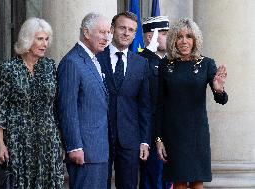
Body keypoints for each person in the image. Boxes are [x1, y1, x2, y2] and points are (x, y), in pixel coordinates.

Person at [155, 18, 228, 189]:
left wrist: (218, 89)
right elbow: (159, 104)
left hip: (197, 134)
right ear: (173, 40)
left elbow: (222, 100)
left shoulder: (206, 64)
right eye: (179, 37)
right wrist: (158, 139)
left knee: (197, 182)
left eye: (189, 36)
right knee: (179, 182)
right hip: (174, 134)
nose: (184, 41)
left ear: (195, 39)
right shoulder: (165, 65)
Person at [0, 17, 64, 188]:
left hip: (48, 139)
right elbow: (1, 109)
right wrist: (0, 144)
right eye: (40, 39)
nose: (44, 44)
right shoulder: (8, 68)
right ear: (27, 39)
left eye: (46, 39)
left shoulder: (49, 66)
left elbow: (55, 106)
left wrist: (59, 140)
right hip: (19, 140)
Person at [97, 11, 151, 189]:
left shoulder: (141, 63)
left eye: (131, 30)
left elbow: (144, 105)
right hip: (100, 136)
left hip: (130, 138)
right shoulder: (96, 57)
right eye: (122, 28)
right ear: (112, 29)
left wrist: (144, 140)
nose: (126, 33)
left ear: (135, 34)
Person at [57, 13, 110, 189]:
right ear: (86, 33)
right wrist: (74, 146)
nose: (106, 38)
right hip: (84, 151)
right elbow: (67, 108)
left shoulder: (93, 60)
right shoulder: (72, 62)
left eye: (108, 32)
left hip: (99, 150)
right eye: (102, 32)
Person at [139, 16, 172, 189]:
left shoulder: (170, 63)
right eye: (165, 34)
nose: (170, 37)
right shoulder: (141, 61)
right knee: (153, 181)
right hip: (150, 135)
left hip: (169, 133)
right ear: (150, 37)